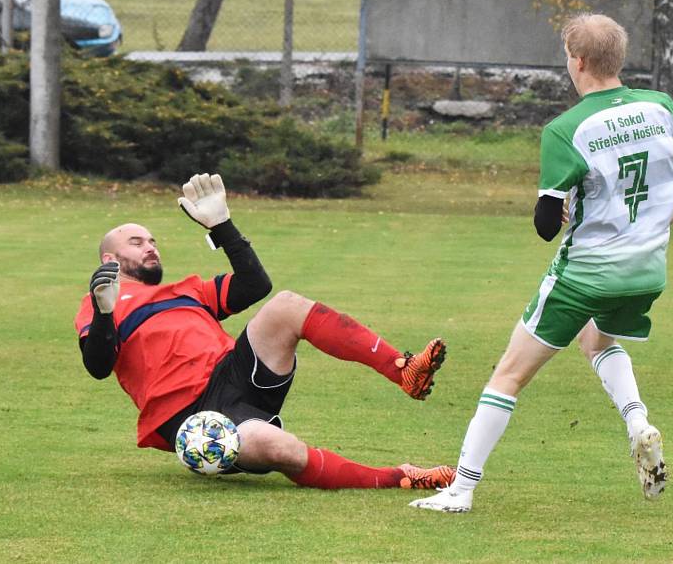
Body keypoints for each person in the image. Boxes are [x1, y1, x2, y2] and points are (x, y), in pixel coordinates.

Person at [410, 13, 673, 513]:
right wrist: (666, 218)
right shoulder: (660, 107)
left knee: (507, 375)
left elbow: (543, 226)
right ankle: (638, 422)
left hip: (587, 274)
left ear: (577, 62)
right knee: (597, 340)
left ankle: (461, 489)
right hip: (646, 271)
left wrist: (562, 202)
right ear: (616, 59)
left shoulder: (566, 129)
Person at [75, 173, 455, 490]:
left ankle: (403, 370)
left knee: (286, 305)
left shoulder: (187, 290)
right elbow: (98, 364)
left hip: (236, 373)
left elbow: (255, 285)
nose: (151, 247)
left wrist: (222, 226)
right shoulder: (100, 303)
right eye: (137, 242)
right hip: (193, 418)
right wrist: (104, 312)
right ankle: (400, 477)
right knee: (280, 449)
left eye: (153, 241)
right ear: (110, 259)